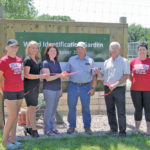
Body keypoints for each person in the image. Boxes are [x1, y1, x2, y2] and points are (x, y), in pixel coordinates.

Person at [94, 41, 130, 137]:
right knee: (110, 110)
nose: (113, 50)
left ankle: (122, 132)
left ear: (119, 49)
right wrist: (97, 72)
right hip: (107, 89)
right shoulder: (106, 62)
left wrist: (115, 84)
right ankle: (113, 129)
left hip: (119, 89)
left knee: (121, 111)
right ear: (110, 50)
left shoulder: (124, 61)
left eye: (115, 48)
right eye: (112, 48)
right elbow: (102, 76)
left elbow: (126, 75)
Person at [64, 41, 97, 134]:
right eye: (78, 49)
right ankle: (71, 126)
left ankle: (87, 127)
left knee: (86, 107)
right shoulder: (71, 59)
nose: (80, 50)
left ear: (85, 50)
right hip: (73, 86)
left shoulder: (90, 61)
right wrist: (65, 73)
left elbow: (94, 76)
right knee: (71, 107)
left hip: (86, 87)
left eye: (81, 48)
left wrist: (93, 88)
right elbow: (66, 71)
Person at [0, 39, 24, 149]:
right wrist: (2, 91)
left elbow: (20, 75)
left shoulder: (19, 60)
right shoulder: (3, 61)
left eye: (16, 46)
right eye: (12, 46)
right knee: (12, 116)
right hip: (9, 91)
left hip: (20, 90)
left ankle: (13, 139)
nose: (15, 48)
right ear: (7, 48)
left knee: (15, 116)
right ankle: (4, 141)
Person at [42, 43, 67, 136]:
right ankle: (47, 129)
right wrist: (59, 75)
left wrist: (60, 89)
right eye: (51, 51)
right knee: (49, 109)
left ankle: (52, 127)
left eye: (55, 51)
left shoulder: (57, 62)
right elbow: (47, 78)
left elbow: (59, 77)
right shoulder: (45, 63)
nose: (53, 52)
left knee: (54, 109)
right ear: (47, 52)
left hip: (57, 89)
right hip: (49, 89)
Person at [24, 41, 46, 138]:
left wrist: (40, 77)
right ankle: (34, 129)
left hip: (35, 86)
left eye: (36, 48)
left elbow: (36, 74)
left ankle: (28, 127)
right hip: (29, 87)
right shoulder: (27, 60)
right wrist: (39, 76)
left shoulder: (37, 59)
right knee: (32, 108)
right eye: (32, 48)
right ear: (28, 49)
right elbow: (26, 75)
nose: (35, 49)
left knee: (31, 108)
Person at [130, 42, 150, 136]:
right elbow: (129, 74)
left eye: (143, 49)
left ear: (147, 50)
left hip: (148, 90)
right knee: (138, 109)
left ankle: (148, 131)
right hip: (135, 90)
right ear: (138, 51)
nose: (142, 51)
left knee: (148, 109)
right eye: (140, 49)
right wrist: (134, 80)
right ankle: (137, 129)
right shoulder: (133, 61)